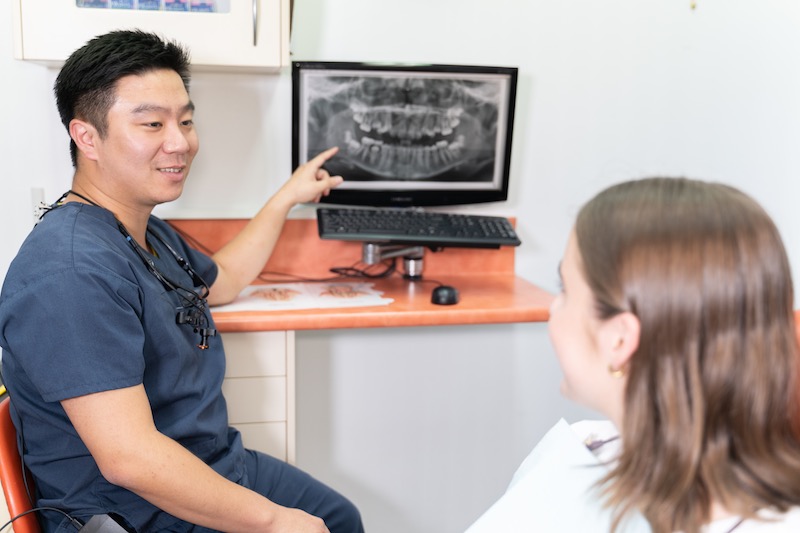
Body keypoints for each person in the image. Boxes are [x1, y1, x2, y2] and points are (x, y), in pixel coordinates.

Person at [0, 30, 364, 533]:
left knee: (338, 518)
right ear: (86, 137)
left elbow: (226, 279)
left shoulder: (146, 232)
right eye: (152, 123)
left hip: (208, 461)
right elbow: (130, 459)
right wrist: (274, 521)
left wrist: (287, 197)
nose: (181, 142)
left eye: (186, 121)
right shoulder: (70, 273)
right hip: (135, 509)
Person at [466, 177, 800, 533]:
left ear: (620, 342)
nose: (553, 309)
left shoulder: (580, 460)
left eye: (565, 289)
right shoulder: (588, 447)